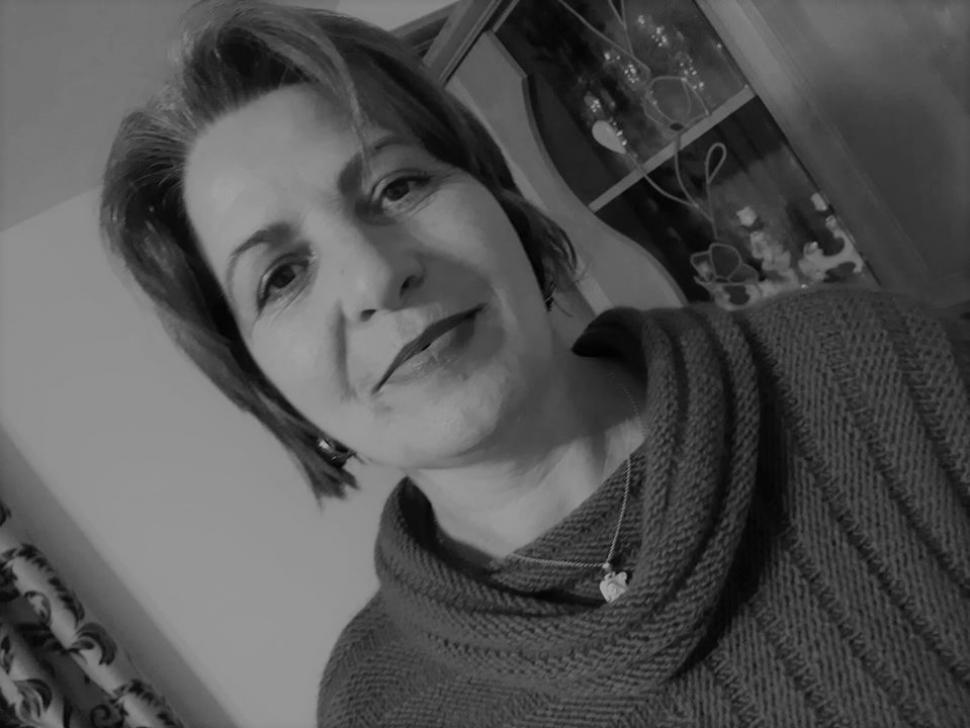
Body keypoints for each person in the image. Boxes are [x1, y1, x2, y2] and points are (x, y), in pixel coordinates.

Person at [100, 1, 970, 726]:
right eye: (282, 277)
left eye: (398, 186)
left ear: (503, 206)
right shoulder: (374, 709)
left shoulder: (864, 367)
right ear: (264, 386)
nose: (373, 276)